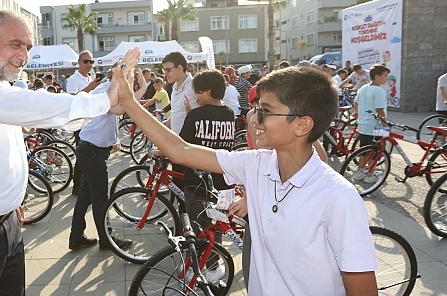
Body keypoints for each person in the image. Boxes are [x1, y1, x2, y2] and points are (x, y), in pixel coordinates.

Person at [0, 9, 140, 295]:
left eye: (28, 47)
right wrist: (103, 101)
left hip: (1, 227)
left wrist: (9, 201)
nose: (24, 56)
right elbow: (30, 105)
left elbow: (8, 141)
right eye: (16, 44)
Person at [113, 65, 378, 295]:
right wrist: (129, 101)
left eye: (265, 111)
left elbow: (362, 287)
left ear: (302, 125)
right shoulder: (257, 164)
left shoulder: (338, 198)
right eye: (254, 109)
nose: (254, 118)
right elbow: (181, 150)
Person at [68, 69, 144, 251]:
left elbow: (125, 105)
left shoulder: (108, 89)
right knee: (101, 198)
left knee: (86, 196)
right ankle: (106, 239)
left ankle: (76, 237)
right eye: (125, 79)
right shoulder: (104, 92)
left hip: (92, 149)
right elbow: (120, 109)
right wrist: (135, 83)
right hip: (92, 151)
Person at [178, 70, 235, 281]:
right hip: (224, 181)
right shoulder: (230, 113)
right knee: (216, 225)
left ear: (208, 91)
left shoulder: (195, 115)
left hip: (198, 182)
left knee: (199, 226)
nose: (195, 97)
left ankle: (206, 268)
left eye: (198, 93)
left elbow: (182, 147)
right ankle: (214, 264)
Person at [66, 50, 103, 195]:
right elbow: (71, 100)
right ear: (79, 63)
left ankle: (84, 183)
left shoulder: (91, 77)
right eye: (86, 61)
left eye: (91, 62)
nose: (89, 65)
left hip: (91, 121)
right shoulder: (73, 80)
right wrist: (89, 88)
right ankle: (77, 185)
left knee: (88, 154)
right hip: (80, 122)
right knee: (82, 154)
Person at [353, 64, 390, 184]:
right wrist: (385, 125)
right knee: (375, 151)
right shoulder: (378, 91)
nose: (386, 78)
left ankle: (359, 172)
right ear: (377, 76)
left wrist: (358, 113)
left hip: (362, 124)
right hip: (374, 125)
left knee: (364, 150)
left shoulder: (364, 88)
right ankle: (370, 174)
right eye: (385, 76)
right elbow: (380, 110)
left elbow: (356, 102)